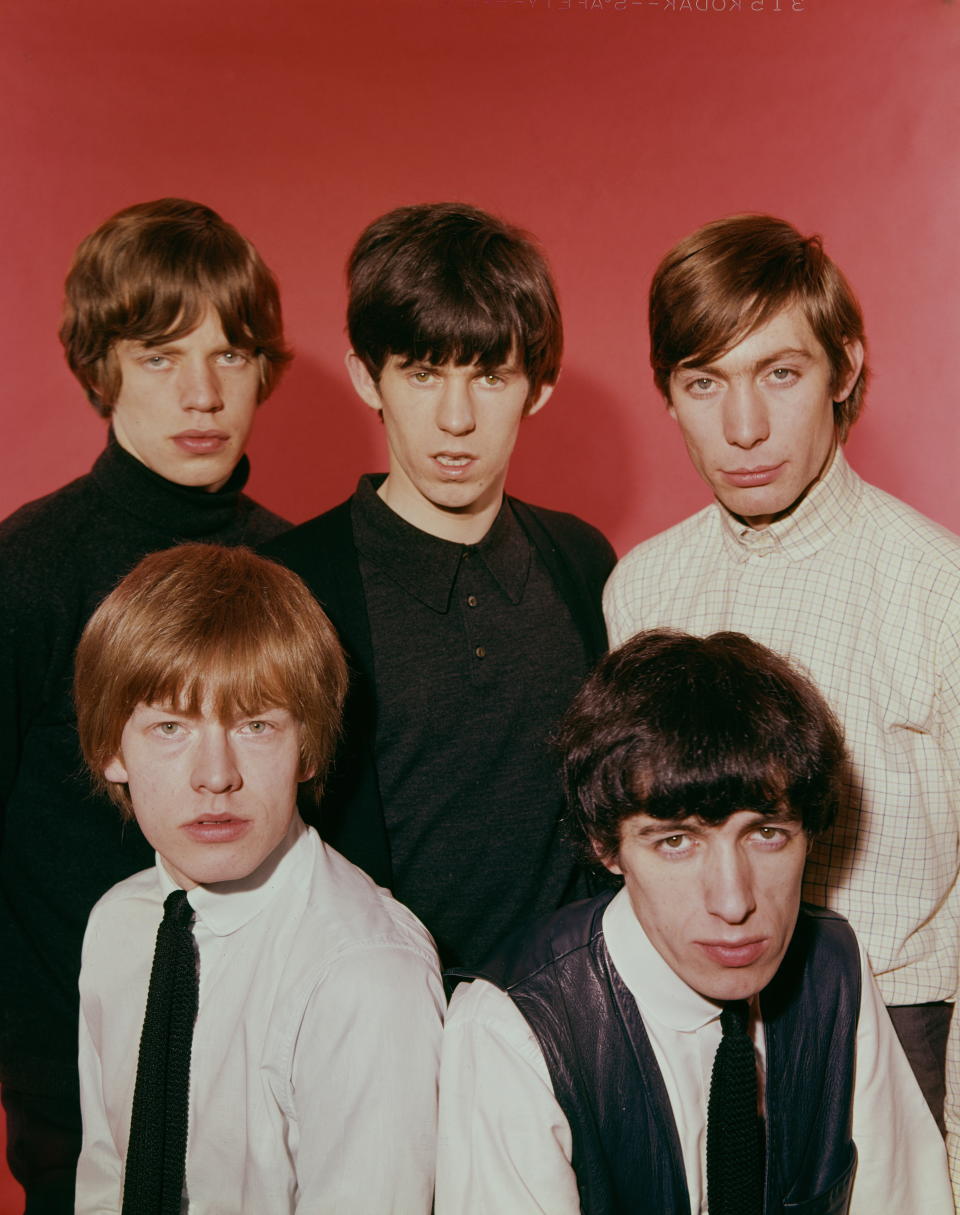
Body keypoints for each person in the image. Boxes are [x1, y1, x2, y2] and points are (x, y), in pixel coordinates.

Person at [602, 215, 960, 1176]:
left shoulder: (941, 590)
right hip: (689, 1039)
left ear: (845, 367)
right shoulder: (640, 588)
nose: (744, 427)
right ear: (670, 395)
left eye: (781, 374)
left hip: (898, 1030)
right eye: (705, 382)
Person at [437, 630, 953, 1214]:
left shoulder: (833, 964)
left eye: (766, 833)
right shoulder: (512, 1026)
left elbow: (904, 1199)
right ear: (608, 848)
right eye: (676, 841)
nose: (734, 903)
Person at [0, 198, 292, 1211]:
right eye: (162, 356)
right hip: (84, 1087)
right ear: (100, 369)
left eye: (232, 354)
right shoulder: (29, 569)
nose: (203, 393)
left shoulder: (297, 566)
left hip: (273, 1076)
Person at [262, 202, 616, 967]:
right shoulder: (290, 583)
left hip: (571, 1016)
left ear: (539, 387)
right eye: (423, 373)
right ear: (368, 376)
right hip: (379, 1019)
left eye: (489, 376)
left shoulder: (583, 561)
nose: (456, 418)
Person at [72, 543, 443, 1214]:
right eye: (169, 727)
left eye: (256, 725)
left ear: (307, 747)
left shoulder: (364, 973)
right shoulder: (118, 923)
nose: (216, 775)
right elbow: (105, 1177)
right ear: (110, 750)